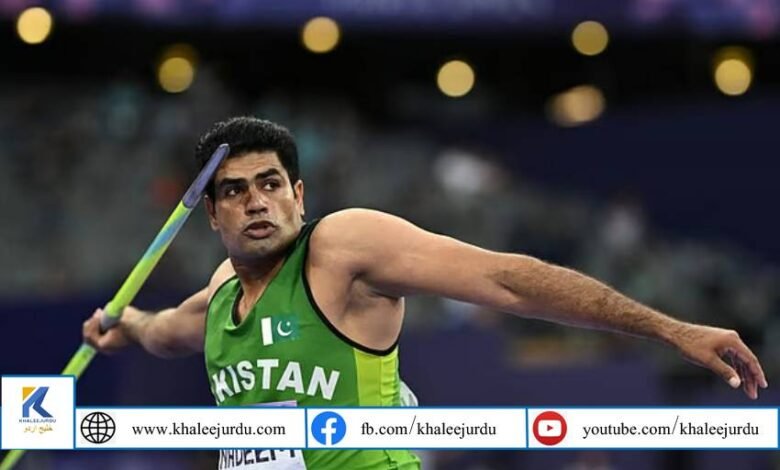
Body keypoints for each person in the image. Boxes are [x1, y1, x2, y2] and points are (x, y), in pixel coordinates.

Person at [83, 116, 768, 469]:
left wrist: (670, 328)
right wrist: (127, 324)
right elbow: (169, 331)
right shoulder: (220, 292)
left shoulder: (341, 249)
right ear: (212, 214)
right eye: (235, 191)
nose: (256, 202)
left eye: (271, 185)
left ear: (299, 195)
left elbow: (505, 278)